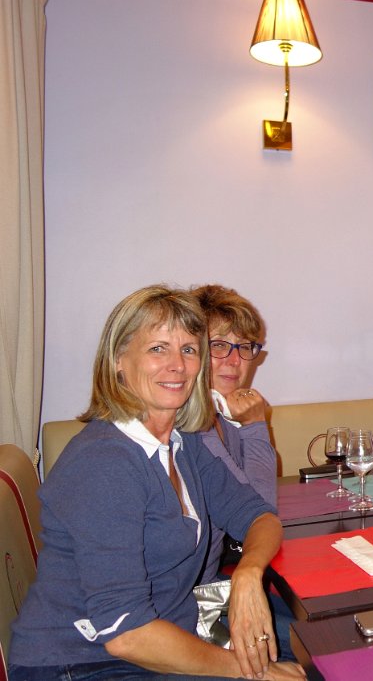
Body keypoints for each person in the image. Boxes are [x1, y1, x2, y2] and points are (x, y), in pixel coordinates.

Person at [8, 286, 304, 680]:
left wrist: (249, 573)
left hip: (163, 637)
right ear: (118, 360)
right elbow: (126, 635)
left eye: (188, 349)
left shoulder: (182, 442)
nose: (177, 365)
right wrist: (252, 671)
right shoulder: (105, 462)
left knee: (319, 648)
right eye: (157, 349)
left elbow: (258, 515)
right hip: (83, 662)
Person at [192, 284, 296, 662]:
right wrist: (255, 426)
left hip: (214, 582)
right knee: (318, 643)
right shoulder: (192, 427)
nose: (235, 361)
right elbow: (255, 514)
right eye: (220, 346)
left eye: (246, 347)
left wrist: (248, 425)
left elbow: (255, 509)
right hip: (193, 604)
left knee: (323, 623)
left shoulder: (221, 414)